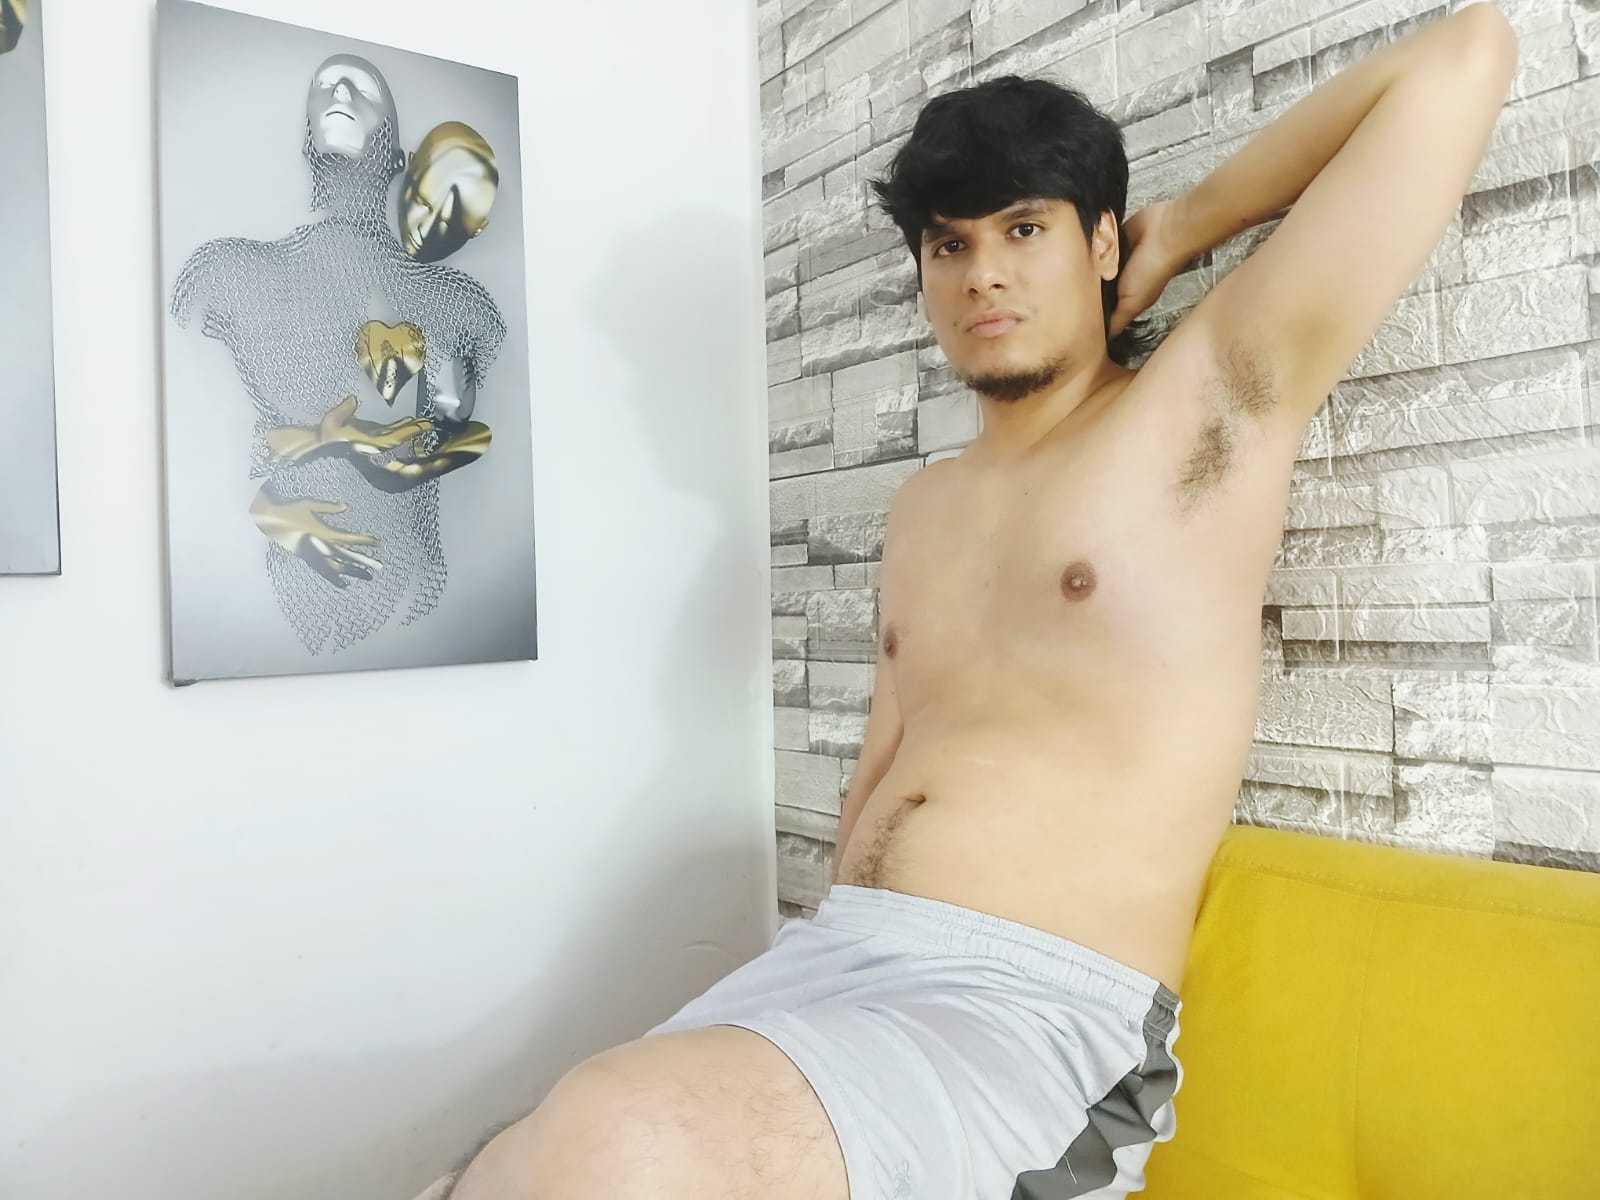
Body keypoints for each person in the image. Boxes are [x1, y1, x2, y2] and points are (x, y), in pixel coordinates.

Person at [437, 6, 1517, 1198]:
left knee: (612, 1134)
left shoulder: (1201, 409)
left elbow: (1464, 55)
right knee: (499, 1161)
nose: (982, 273)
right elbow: (890, 749)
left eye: (1022, 228)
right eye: (948, 245)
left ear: (1098, 241)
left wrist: (1182, 227)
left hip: (1031, 1016)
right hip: (839, 965)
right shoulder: (925, 505)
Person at [170, 53, 503, 655]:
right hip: (283, 604)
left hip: (413, 595)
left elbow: (458, 437)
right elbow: (184, 448)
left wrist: (369, 446)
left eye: (363, 92)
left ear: (396, 155)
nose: (341, 90)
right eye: (326, 87)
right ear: (306, 140)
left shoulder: (449, 303)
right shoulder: (234, 275)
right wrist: (273, 510)